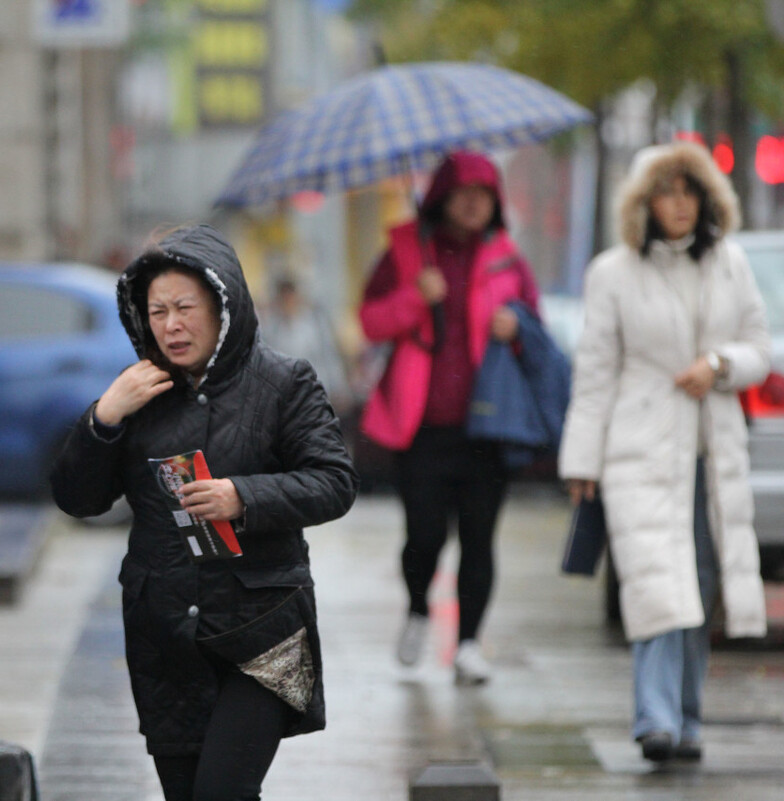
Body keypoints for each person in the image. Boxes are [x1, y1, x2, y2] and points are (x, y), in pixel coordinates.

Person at [51, 224, 358, 801]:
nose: (171, 324)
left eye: (185, 307)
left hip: (262, 632)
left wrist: (242, 495)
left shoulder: (285, 382)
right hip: (165, 636)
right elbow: (77, 499)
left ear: (223, 305)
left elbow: (335, 482)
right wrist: (104, 419)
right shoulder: (138, 390)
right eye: (158, 310)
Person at [559, 141, 769, 763]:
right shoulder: (612, 272)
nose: (679, 205)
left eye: (689, 191)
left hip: (711, 450)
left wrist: (720, 364)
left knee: (700, 586)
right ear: (644, 202)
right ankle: (656, 719)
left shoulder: (729, 263)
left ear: (706, 198)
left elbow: (760, 346)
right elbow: (595, 373)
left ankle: (688, 717)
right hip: (639, 446)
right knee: (655, 581)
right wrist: (582, 463)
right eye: (666, 192)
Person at [358, 151, 541, 685]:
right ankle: (418, 607)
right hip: (421, 428)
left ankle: (466, 643)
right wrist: (415, 298)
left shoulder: (509, 259)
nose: (474, 203)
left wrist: (518, 328)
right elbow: (370, 321)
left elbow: (538, 333)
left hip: (489, 427)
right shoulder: (406, 251)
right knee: (425, 536)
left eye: (485, 194)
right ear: (441, 196)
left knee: (480, 539)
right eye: (464, 193)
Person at [258, 277, 352, 419]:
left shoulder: (314, 325)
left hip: (315, 392)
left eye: (290, 297)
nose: (288, 303)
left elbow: (328, 355)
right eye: (284, 299)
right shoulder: (272, 330)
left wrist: (338, 387)